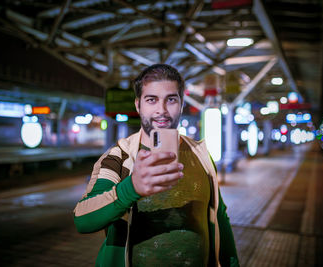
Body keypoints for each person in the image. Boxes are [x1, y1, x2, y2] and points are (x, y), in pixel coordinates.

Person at [73, 64, 239, 267]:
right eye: (151, 100)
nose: (162, 110)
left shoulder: (201, 154)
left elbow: (220, 218)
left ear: (181, 104)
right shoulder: (119, 157)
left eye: (171, 99)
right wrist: (131, 188)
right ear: (138, 105)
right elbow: (82, 219)